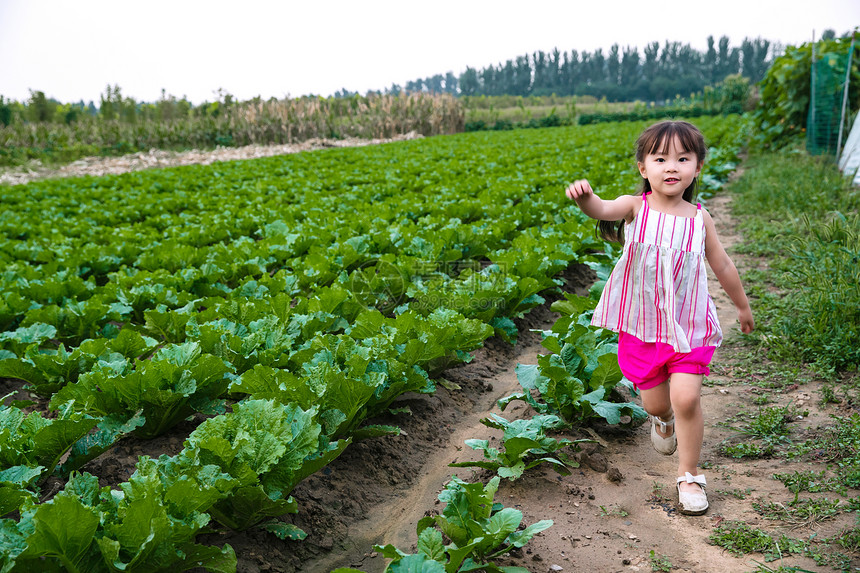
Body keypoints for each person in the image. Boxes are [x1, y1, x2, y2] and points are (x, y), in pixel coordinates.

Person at [565, 120, 754, 515]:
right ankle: (662, 419)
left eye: (683, 158)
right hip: (643, 327)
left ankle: (689, 475)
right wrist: (585, 198)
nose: (672, 167)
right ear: (643, 168)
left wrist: (741, 305)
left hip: (688, 328)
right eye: (661, 158)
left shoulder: (699, 220)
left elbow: (721, 264)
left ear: (698, 167)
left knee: (687, 398)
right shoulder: (636, 208)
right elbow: (600, 209)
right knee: (655, 404)